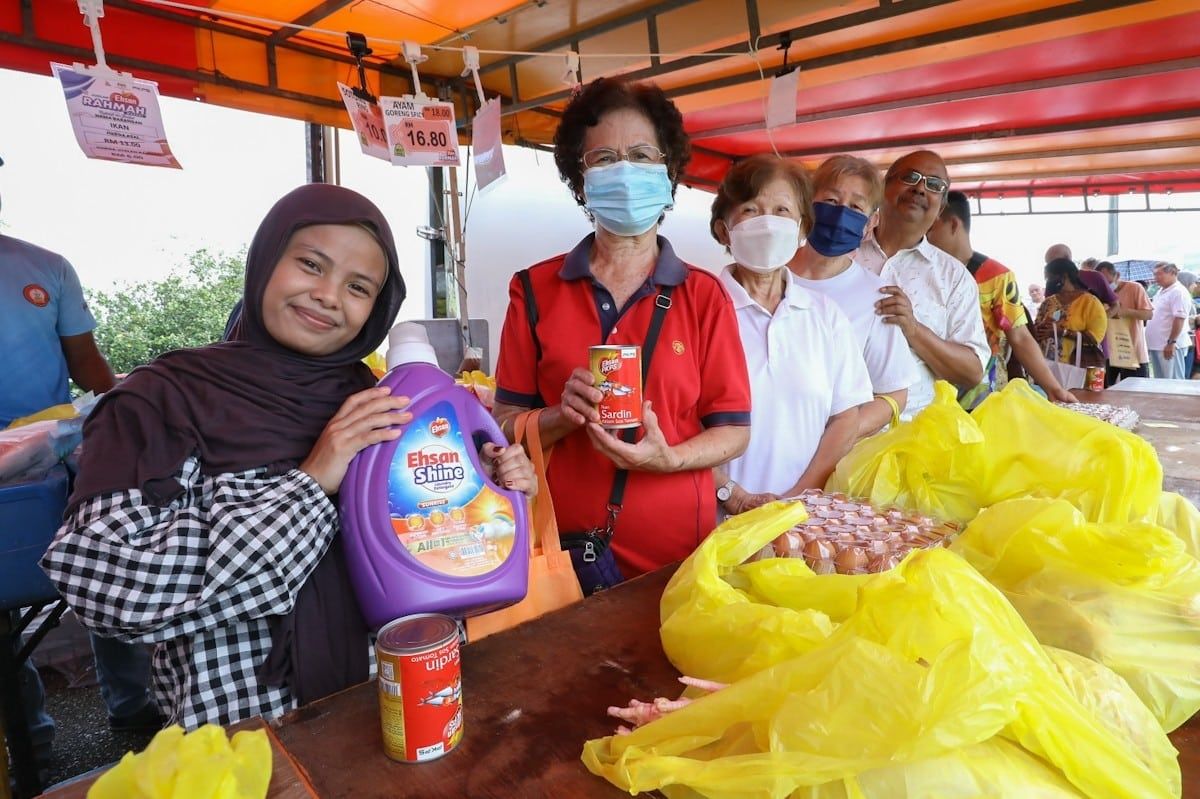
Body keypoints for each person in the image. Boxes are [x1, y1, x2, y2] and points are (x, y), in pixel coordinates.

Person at [42, 184, 536, 729]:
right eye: (310, 264)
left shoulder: (385, 405)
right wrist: (311, 482)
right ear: (266, 260)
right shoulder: (163, 398)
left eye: (358, 286)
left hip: (408, 708)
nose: (328, 295)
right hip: (251, 737)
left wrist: (491, 493)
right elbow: (103, 586)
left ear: (376, 309)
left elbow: (437, 552)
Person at [491, 77, 751, 578]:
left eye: (641, 155)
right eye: (605, 159)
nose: (625, 171)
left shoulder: (703, 295)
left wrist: (670, 459)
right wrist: (562, 416)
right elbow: (503, 423)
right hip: (560, 552)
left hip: (677, 555)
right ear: (580, 178)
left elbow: (734, 431)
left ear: (668, 173)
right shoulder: (533, 290)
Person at [0, 156, 158, 770]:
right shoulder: (44, 266)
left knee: (103, 559)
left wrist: (132, 407)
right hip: (21, 483)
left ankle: (125, 707)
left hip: (50, 461)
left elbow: (89, 369)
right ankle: (35, 741)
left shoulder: (46, 266)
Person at [707, 155, 871, 514]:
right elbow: (675, 422)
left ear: (801, 230)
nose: (767, 223)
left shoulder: (825, 316)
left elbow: (845, 418)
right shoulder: (700, 312)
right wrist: (731, 494)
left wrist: (799, 495)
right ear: (723, 230)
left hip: (801, 521)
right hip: (712, 520)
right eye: (750, 210)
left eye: (782, 211)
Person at [787, 154, 918, 436]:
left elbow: (894, 393)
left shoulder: (876, 296)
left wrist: (836, 436)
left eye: (856, 207)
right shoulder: (768, 274)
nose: (840, 214)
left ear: (871, 222)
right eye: (831, 200)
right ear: (808, 204)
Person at [854, 150, 989, 418]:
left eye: (934, 185)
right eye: (910, 177)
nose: (919, 188)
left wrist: (914, 329)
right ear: (883, 188)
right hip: (831, 428)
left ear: (941, 208)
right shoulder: (844, 255)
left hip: (914, 433)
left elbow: (972, 372)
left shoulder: (954, 277)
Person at [926, 191, 1076, 404]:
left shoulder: (996, 277)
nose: (924, 236)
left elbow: (1020, 337)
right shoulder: (921, 272)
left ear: (953, 225)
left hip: (979, 398)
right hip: (929, 393)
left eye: (930, 228)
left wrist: (1053, 388)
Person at [1033, 258, 1108, 374]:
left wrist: (1062, 332)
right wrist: (1041, 327)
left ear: (1064, 276)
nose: (1048, 282)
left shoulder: (1090, 302)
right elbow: (1034, 333)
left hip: (1077, 369)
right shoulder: (1048, 302)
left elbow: (1095, 339)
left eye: (1050, 278)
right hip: (1047, 369)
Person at [1095, 260, 1153, 385]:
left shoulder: (1135, 288)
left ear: (1117, 275)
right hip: (1108, 352)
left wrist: (1125, 312)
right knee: (1106, 389)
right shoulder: (1098, 292)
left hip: (1132, 351)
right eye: (1102, 283)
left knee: (1134, 389)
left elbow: (1148, 314)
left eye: (1108, 282)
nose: (1106, 286)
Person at [1146, 262, 1193, 379]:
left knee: (1173, 382)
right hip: (1157, 345)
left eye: (1159, 274)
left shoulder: (1178, 292)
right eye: (1154, 274)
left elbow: (1179, 318)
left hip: (1170, 345)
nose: (1156, 278)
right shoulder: (1161, 291)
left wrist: (1171, 342)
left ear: (1172, 273)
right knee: (1161, 382)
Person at [1044, 243, 1117, 308]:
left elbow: (1115, 305)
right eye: (1048, 264)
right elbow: (1049, 310)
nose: (1050, 268)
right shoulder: (1051, 283)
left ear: (1068, 259)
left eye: (1054, 263)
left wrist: (1101, 318)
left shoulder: (1095, 277)